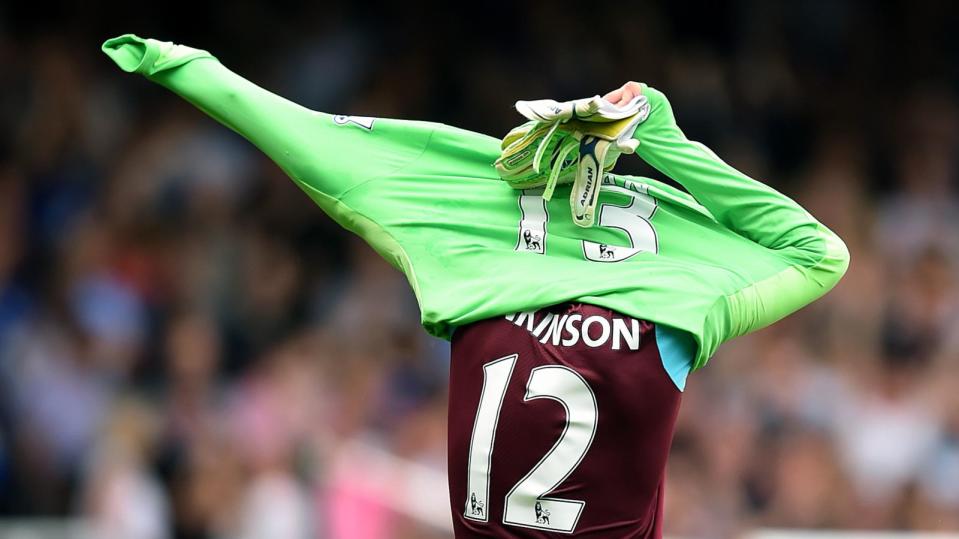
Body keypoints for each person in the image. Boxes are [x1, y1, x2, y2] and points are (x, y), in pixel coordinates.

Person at [102, 35, 849, 538]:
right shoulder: (683, 308)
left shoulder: (466, 262)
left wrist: (187, 67)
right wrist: (660, 135)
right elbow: (820, 253)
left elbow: (317, 146)